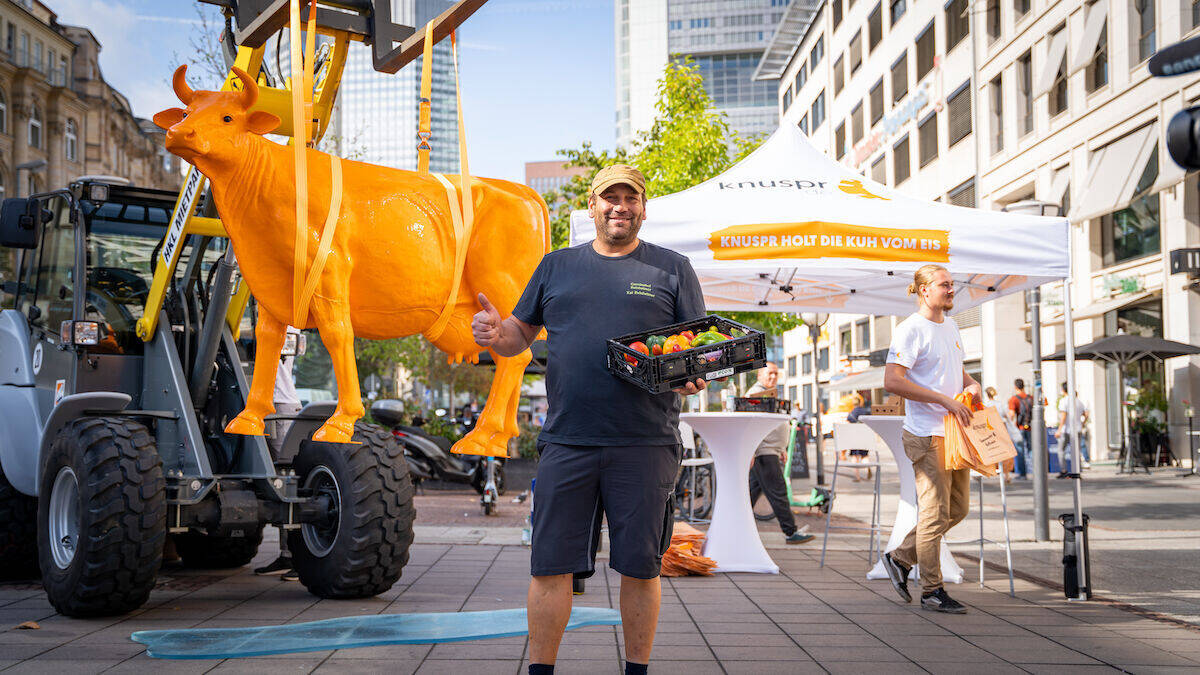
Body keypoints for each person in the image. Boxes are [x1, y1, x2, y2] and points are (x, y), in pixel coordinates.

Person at [471, 164, 708, 675]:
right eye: (609, 197)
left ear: (643, 207)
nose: (620, 206)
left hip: (645, 443)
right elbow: (518, 337)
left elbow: (693, 349)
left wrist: (692, 375)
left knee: (641, 569)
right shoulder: (556, 267)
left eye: (631, 197)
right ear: (591, 205)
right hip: (568, 441)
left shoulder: (672, 269)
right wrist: (495, 333)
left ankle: (636, 672)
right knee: (550, 565)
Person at [880, 264, 979, 615]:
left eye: (953, 284)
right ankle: (932, 590)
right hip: (927, 434)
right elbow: (892, 381)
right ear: (924, 290)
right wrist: (943, 400)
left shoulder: (950, 325)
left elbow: (954, 368)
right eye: (945, 285)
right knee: (935, 515)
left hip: (954, 435)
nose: (952, 290)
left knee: (958, 509)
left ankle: (900, 557)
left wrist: (971, 384)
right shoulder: (910, 330)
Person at [746, 362, 814, 544]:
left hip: (770, 451)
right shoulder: (755, 395)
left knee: (749, 495)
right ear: (759, 375)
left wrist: (780, 448)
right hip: (764, 452)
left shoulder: (767, 394)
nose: (773, 377)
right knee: (778, 492)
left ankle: (735, 528)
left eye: (776, 374)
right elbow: (750, 424)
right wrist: (752, 450)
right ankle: (791, 532)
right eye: (770, 374)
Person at [255, 325, 303, 581]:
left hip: (280, 404)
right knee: (277, 480)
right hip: (268, 404)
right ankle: (287, 554)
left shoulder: (284, 320)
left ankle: (297, 557)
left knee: (288, 480)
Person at [1055, 382, 1091, 477]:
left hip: (1066, 430)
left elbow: (1063, 417)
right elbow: (1086, 414)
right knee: (1076, 450)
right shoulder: (1078, 401)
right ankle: (1077, 471)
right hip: (1077, 429)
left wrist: (1059, 429)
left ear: (1064, 390)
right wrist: (1082, 423)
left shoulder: (1064, 401)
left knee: (1061, 450)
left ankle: (1064, 470)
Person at [985, 386, 1019, 481]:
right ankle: (1006, 474)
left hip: (991, 431)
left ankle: (993, 471)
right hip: (1002, 429)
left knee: (992, 450)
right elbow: (1008, 416)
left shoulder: (986, 405)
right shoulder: (1000, 404)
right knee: (1005, 451)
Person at [1007, 379, 1034, 479]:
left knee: (1020, 451)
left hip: (1020, 428)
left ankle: (1022, 474)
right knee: (1031, 450)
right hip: (1031, 427)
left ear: (1015, 387)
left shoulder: (1014, 399)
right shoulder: (1030, 398)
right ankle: (1037, 472)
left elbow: (1011, 415)